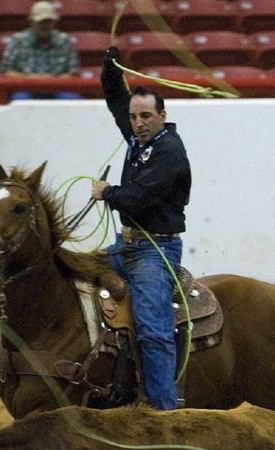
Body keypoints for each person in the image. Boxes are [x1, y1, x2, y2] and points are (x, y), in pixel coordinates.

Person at [91, 45, 191, 411]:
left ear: (162, 116)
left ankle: (164, 411)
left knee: (154, 330)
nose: (138, 123)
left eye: (146, 116)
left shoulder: (170, 153)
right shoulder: (140, 138)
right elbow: (116, 100)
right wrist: (109, 69)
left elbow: (137, 199)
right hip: (129, 245)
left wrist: (107, 192)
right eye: (135, 117)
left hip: (156, 250)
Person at [0, 0, 81, 100]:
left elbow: (73, 73)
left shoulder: (65, 41)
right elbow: (6, 72)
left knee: (72, 99)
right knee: (21, 99)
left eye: (48, 21)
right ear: (31, 21)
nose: (45, 25)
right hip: (26, 88)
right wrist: (31, 80)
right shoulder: (18, 41)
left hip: (58, 88)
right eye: (41, 22)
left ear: (54, 22)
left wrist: (53, 81)